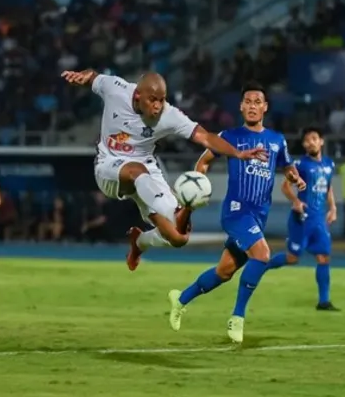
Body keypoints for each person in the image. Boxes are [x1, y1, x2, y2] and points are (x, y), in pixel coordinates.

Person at [61, 69, 266, 271]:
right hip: (109, 167)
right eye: (153, 100)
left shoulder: (169, 115)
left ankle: (140, 241)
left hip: (146, 173)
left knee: (179, 236)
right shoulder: (116, 89)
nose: (158, 106)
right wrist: (81, 77)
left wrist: (237, 153)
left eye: (162, 99)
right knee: (135, 170)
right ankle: (173, 210)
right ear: (138, 96)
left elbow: (205, 137)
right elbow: (94, 77)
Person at [166, 83, 306, 343]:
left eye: (257, 101)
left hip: (258, 216)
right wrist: (197, 184)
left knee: (224, 272)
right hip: (235, 212)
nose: (252, 106)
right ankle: (237, 317)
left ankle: (180, 299)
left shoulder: (277, 141)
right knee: (262, 255)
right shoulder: (230, 136)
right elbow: (204, 160)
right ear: (241, 107)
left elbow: (286, 167)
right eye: (248, 101)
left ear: (265, 107)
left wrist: (295, 178)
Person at [267, 127, 340, 311]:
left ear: (321, 141)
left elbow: (328, 188)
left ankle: (324, 301)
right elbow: (285, 187)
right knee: (292, 258)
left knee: (323, 257)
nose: (310, 142)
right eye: (307, 140)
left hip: (319, 220)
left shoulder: (329, 165)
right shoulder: (300, 165)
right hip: (302, 219)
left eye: (314, 138)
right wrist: (296, 201)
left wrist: (332, 208)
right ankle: (261, 265)